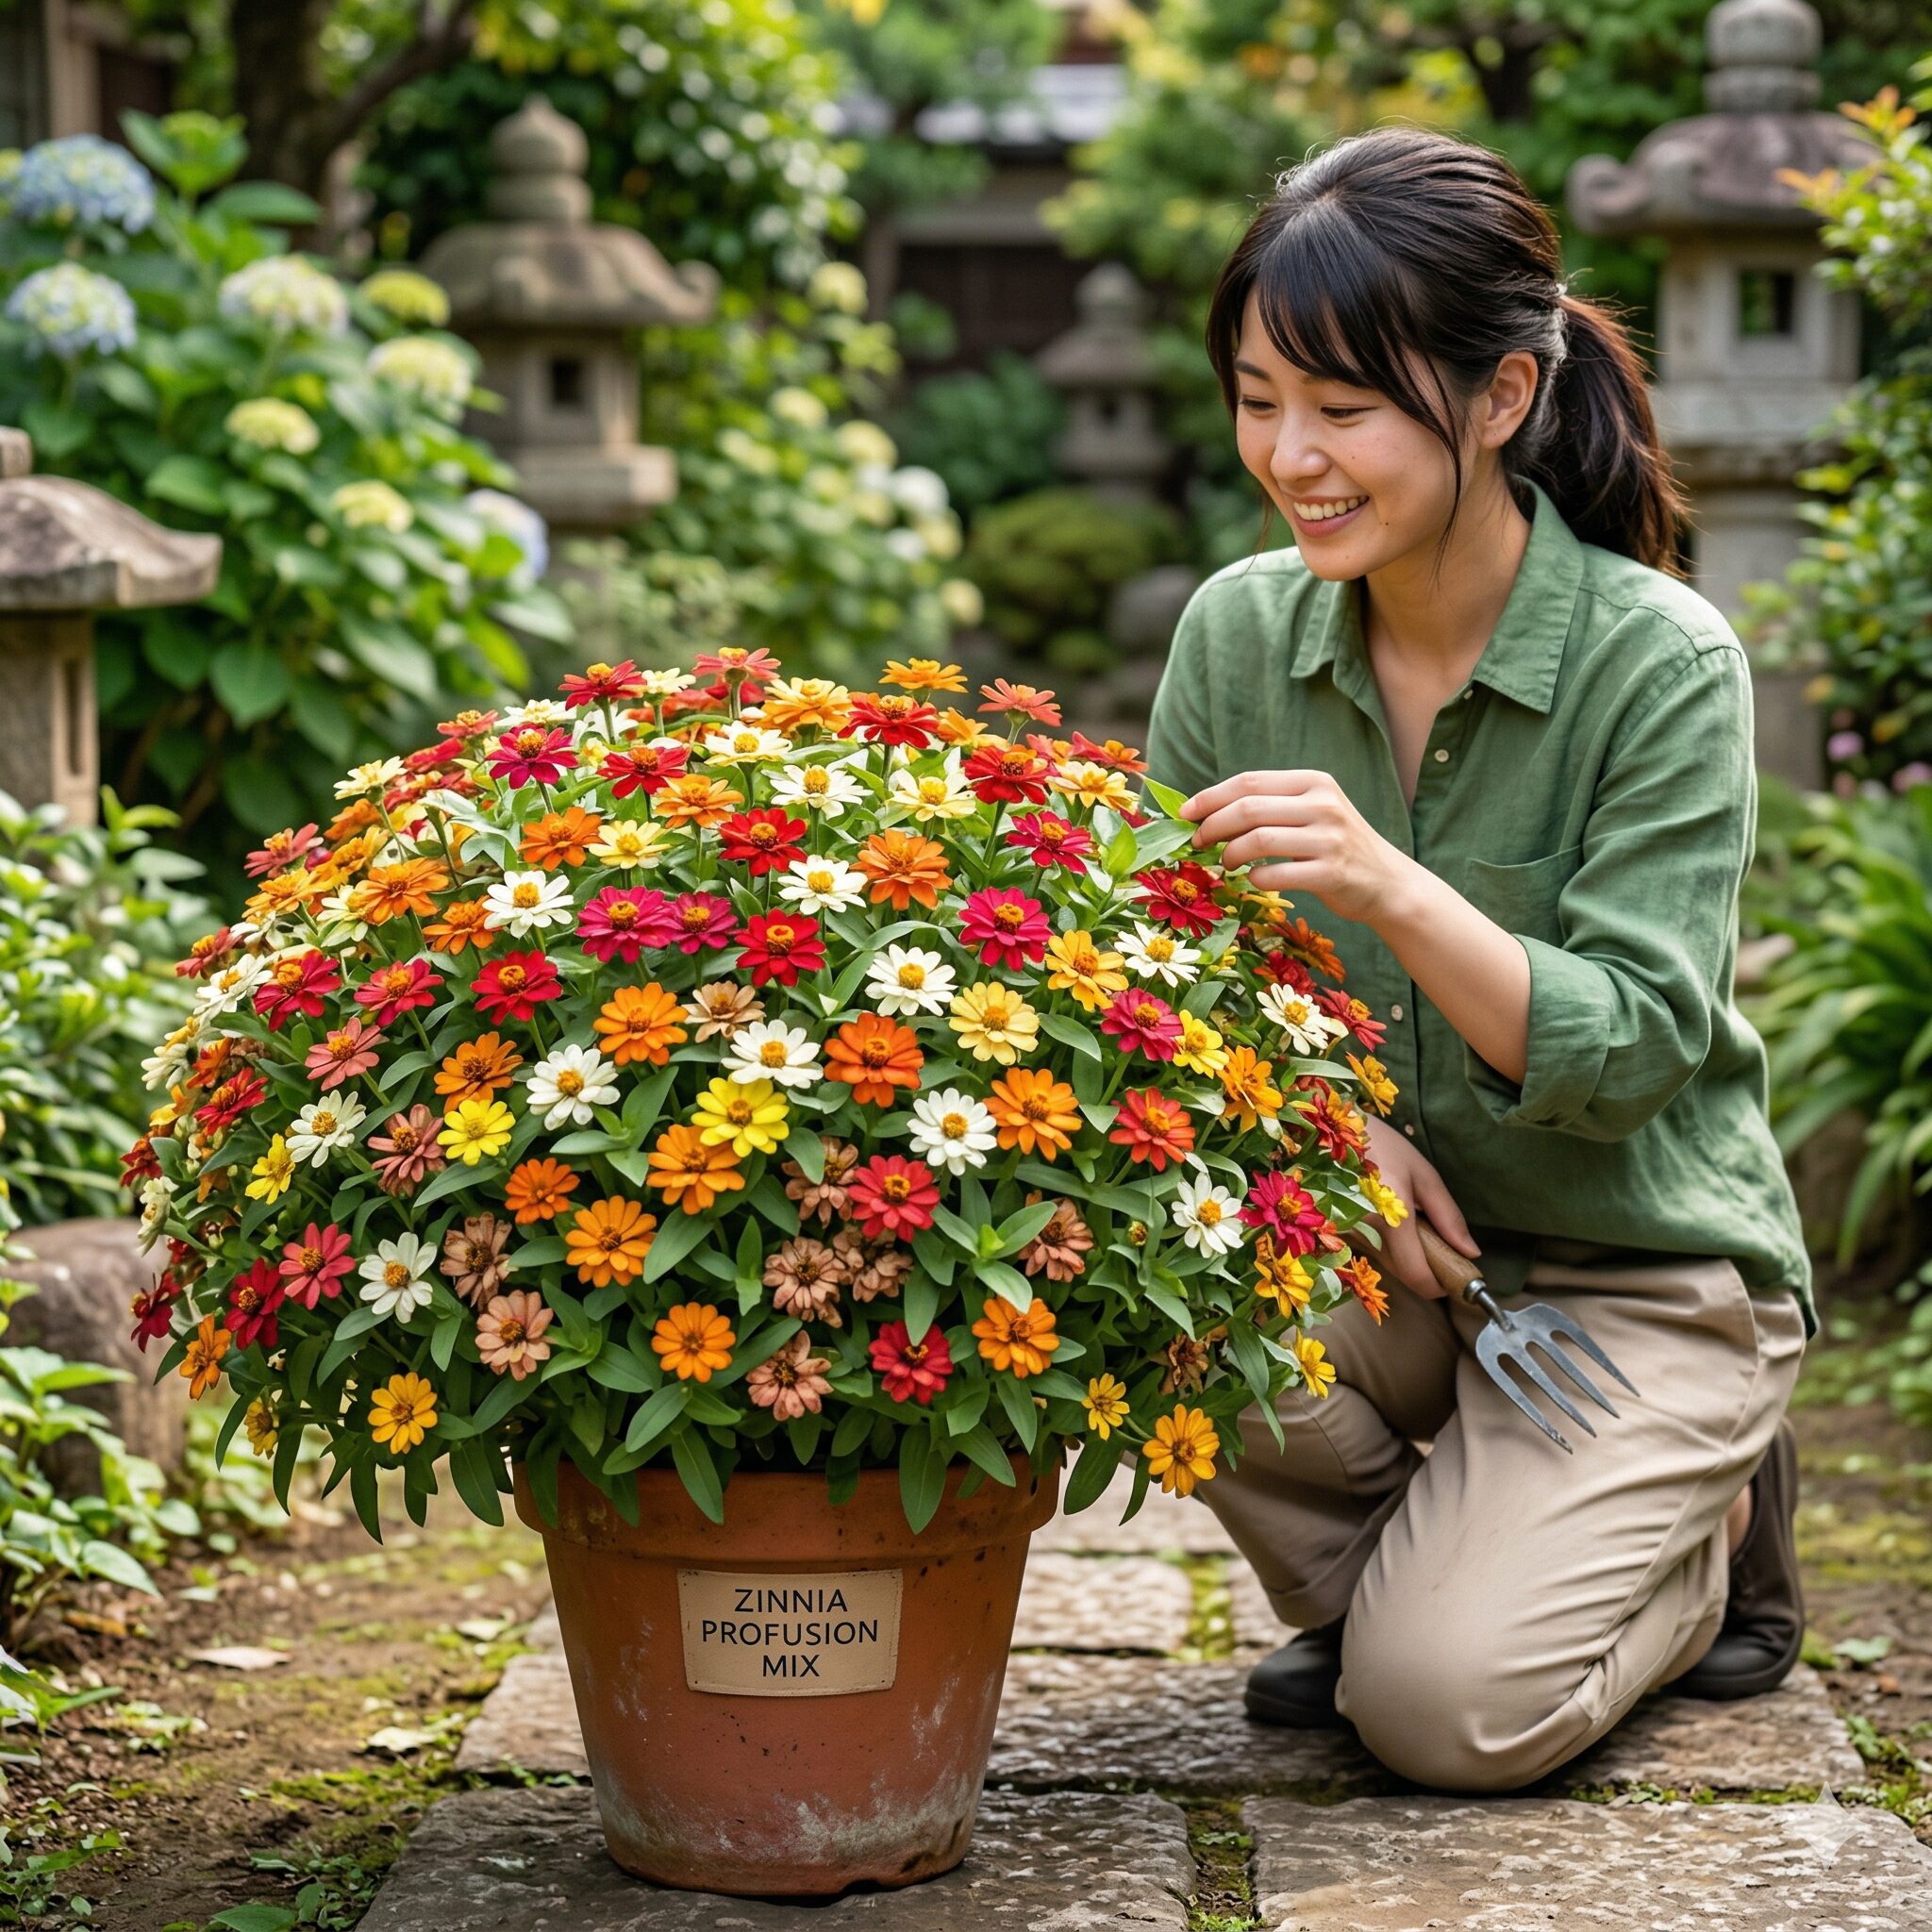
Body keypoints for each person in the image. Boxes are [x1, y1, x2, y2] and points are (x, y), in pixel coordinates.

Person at [1144, 125, 1812, 1794]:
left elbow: (1644, 1038)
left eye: (1346, 408)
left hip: (1638, 1275)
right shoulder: (1238, 634)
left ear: (1502, 397)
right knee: (1120, 1250)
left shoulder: (1662, 664)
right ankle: (1430, 1586)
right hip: (1387, 1252)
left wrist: (1388, 886)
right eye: (1256, 398)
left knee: (1446, 1718)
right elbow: (1156, 977)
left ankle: (1694, 1536)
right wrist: (1327, 1124)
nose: (1291, 455)